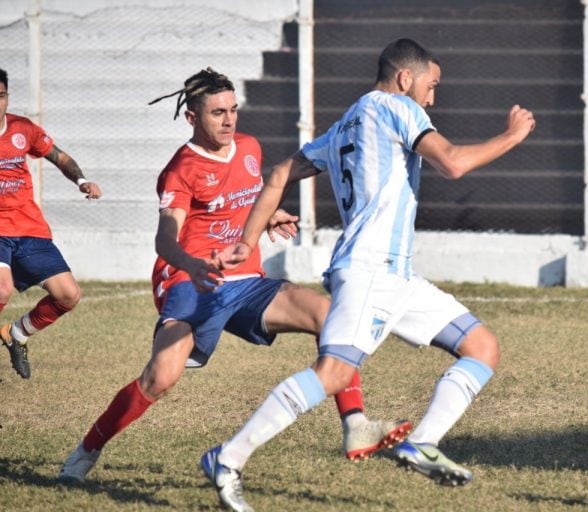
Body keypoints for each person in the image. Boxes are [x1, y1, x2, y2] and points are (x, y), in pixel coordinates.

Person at [200, 38, 536, 510]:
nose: (432, 98)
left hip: (396, 276)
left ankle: (422, 442)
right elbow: (453, 163)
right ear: (406, 79)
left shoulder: (346, 124)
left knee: (482, 347)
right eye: (431, 85)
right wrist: (512, 137)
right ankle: (228, 457)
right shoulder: (398, 107)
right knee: (333, 373)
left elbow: (276, 175)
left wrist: (246, 242)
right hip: (369, 271)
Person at [58, 68, 411, 485]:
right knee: (160, 378)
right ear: (192, 119)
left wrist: (267, 218)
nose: (229, 121)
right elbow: (165, 239)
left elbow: (242, 199)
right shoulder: (180, 170)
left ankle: (355, 424)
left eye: (233, 110)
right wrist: (192, 265)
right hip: (190, 281)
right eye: (217, 113)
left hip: (244, 280)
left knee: (331, 314)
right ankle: (87, 450)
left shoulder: (248, 147)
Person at [0, 68, 102, 379]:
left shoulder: (22, 129)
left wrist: (82, 180)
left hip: (30, 229)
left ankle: (15, 333)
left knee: (68, 295)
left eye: (1, 96)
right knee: (1, 290)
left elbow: (60, 158)